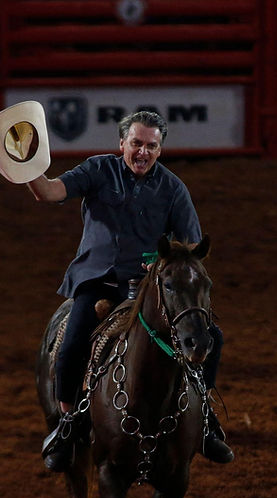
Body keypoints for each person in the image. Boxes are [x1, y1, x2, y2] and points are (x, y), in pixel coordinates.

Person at [26, 110, 234, 471]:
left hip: (145, 288)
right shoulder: (96, 170)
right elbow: (49, 191)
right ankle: (68, 424)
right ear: (122, 143)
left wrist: (163, 265)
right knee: (72, 344)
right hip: (97, 282)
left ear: (160, 149)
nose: (143, 152)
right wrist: (26, 168)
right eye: (136, 143)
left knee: (209, 336)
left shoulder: (173, 189)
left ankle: (205, 421)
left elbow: (190, 248)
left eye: (151, 146)